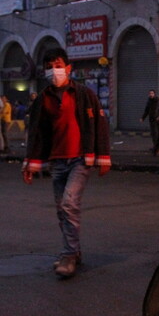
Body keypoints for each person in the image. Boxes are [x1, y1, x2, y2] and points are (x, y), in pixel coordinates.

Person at [21, 47, 111, 278]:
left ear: (68, 68)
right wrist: (30, 163)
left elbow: (99, 125)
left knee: (69, 203)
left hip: (80, 159)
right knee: (62, 209)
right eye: (49, 67)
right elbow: (36, 133)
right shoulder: (42, 99)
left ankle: (69, 254)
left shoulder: (84, 94)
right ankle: (74, 251)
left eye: (58, 65)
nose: (54, 71)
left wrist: (103, 157)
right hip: (56, 161)